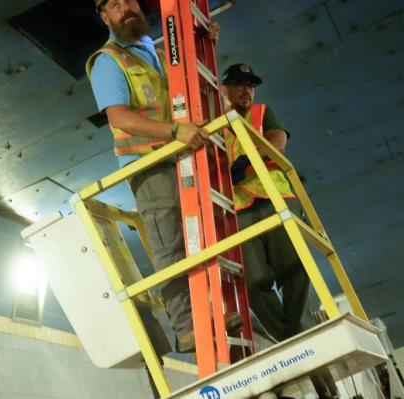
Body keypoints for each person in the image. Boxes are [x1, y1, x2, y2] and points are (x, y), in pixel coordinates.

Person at [86, 0, 238, 357]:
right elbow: (120, 119)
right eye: (115, 5)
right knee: (170, 244)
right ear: (104, 16)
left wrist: (205, 49)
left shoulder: (146, 52)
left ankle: (211, 312)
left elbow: (176, 91)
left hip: (173, 154)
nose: (126, 8)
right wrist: (174, 131)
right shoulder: (108, 61)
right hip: (148, 164)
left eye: (130, 1)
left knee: (194, 238)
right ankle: (187, 328)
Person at [220, 63, 310, 342]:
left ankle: (301, 332)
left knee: (295, 269)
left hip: (276, 199)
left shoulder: (262, 113)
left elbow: (277, 143)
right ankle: (286, 338)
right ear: (224, 90)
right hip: (242, 210)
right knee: (253, 282)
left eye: (251, 85)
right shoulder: (215, 123)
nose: (247, 90)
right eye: (239, 84)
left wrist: (244, 163)